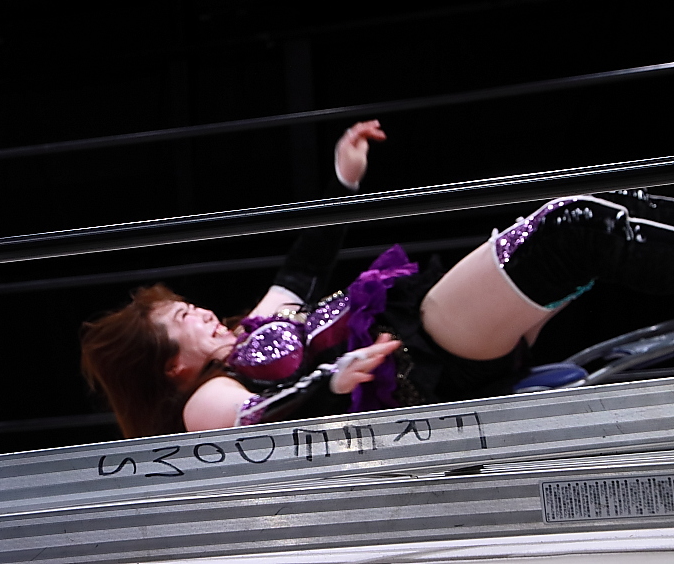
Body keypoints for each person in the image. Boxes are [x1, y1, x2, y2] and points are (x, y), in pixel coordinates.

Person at [81, 120, 674, 437]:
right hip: (419, 357)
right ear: (171, 366)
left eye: (191, 305)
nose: (204, 312)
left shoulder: (252, 333)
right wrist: (333, 380)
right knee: (572, 227)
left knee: (599, 218)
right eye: (185, 319)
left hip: (428, 340)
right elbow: (265, 419)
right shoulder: (203, 401)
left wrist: (344, 180)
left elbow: (304, 267)